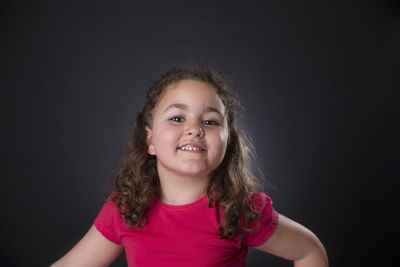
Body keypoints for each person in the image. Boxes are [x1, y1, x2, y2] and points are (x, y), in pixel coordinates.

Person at [51, 63, 328, 267]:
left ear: (227, 141)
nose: (194, 129)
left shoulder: (239, 210)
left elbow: (308, 251)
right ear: (150, 141)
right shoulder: (125, 209)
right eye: (177, 118)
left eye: (210, 121)